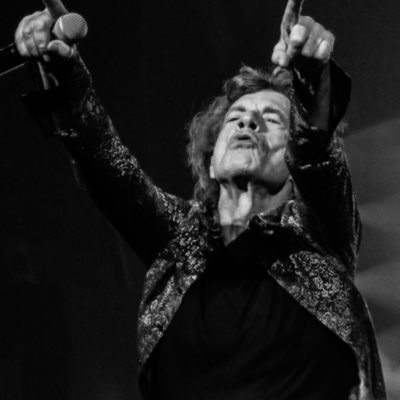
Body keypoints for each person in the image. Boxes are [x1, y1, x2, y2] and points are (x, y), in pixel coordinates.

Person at [15, 0, 386, 399]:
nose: (248, 121)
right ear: (211, 162)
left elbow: (317, 149)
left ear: (294, 158)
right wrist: (64, 70)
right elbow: (101, 157)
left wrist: (311, 75)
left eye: (272, 119)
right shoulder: (179, 240)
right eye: (235, 118)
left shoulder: (320, 234)